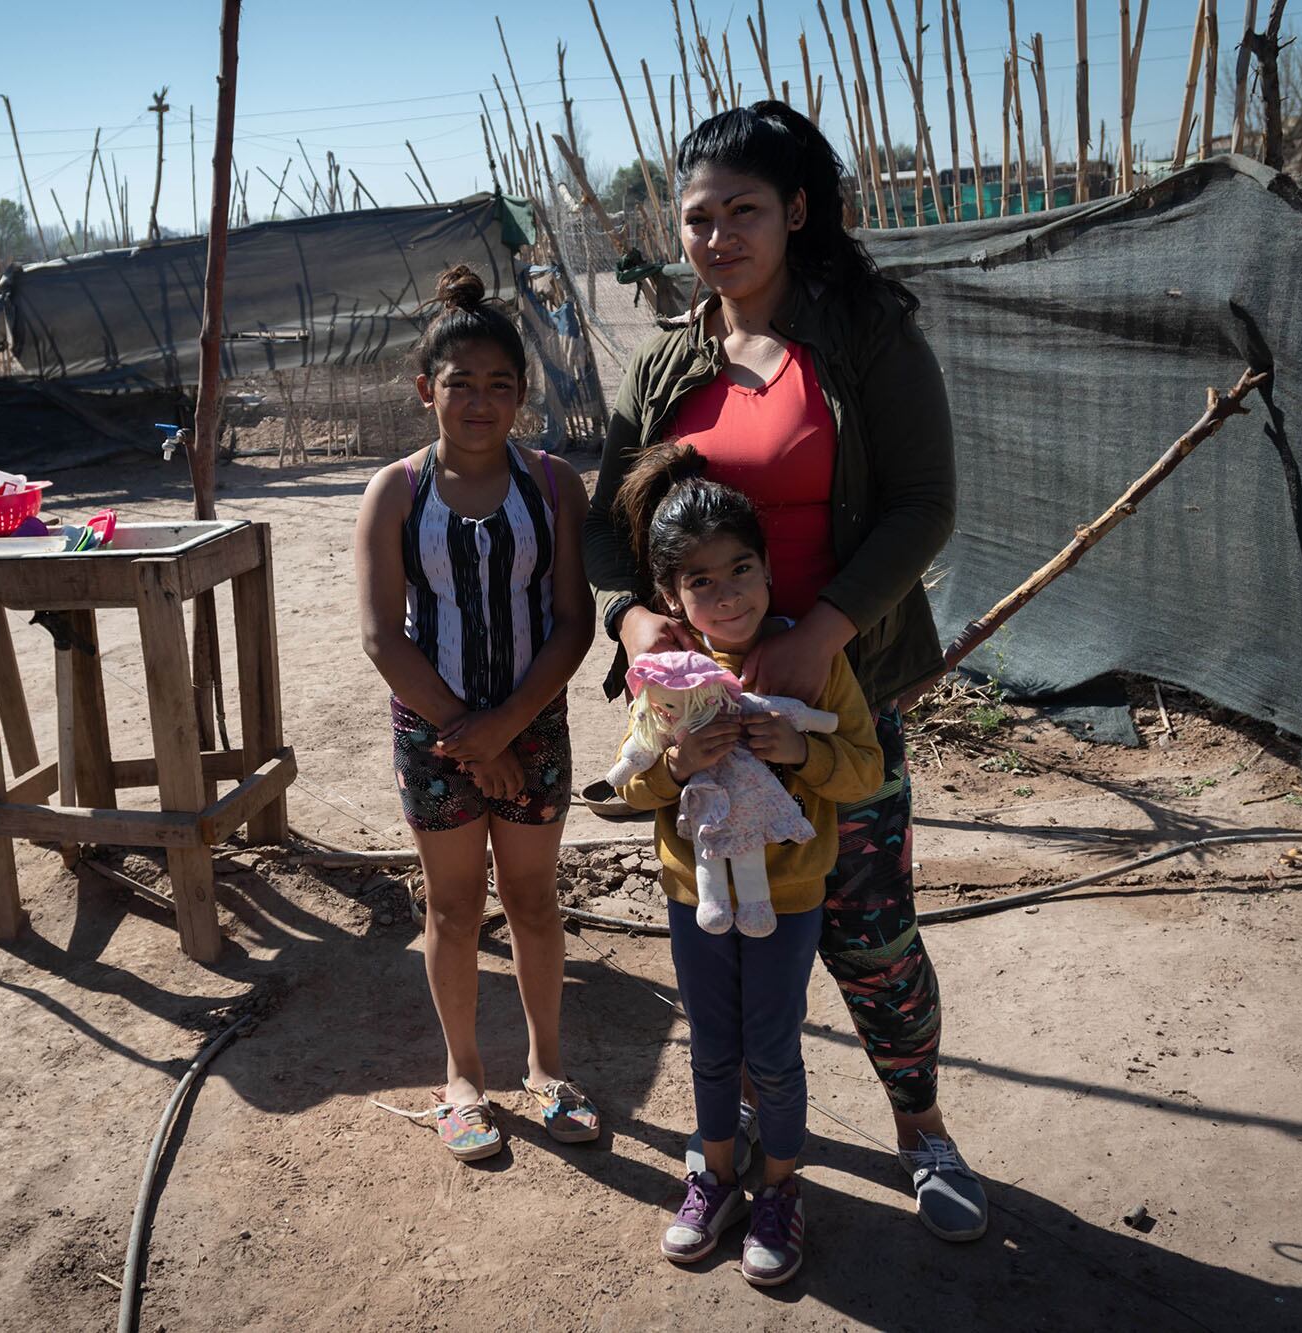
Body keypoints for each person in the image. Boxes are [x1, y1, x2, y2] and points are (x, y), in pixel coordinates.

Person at [583, 101, 989, 1242]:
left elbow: (923, 501)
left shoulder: (861, 332)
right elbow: (604, 525)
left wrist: (822, 631)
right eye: (697, 217)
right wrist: (628, 625)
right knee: (726, 940)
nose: (716, 237)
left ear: (796, 211)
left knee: (865, 929)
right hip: (705, 710)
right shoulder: (668, 358)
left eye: (742, 211)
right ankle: (754, 1165)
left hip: (832, 694)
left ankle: (922, 1134)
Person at [611, 454, 884, 1285]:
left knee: (772, 1048)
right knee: (711, 1048)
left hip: (790, 898)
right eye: (700, 582)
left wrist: (802, 748)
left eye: (741, 570)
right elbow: (630, 778)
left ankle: (780, 1187)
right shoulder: (663, 680)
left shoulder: (810, 661)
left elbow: (865, 770)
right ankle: (715, 1177)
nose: (727, 595)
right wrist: (682, 762)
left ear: (768, 568)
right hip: (696, 896)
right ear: (669, 597)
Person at [356, 264, 598, 1162]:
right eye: (461, 384)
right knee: (454, 909)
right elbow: (384, 638)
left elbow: (573, 623)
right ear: (428, 391)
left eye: (501, 385)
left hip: (531, 724)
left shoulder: (553, 486)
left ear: (522, 395)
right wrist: (468, 733)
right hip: (433, 732)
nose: (481, 402)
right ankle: (462, 1080)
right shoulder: (395, 492)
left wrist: (505, 729)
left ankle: (545, 1070)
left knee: (535, 902)